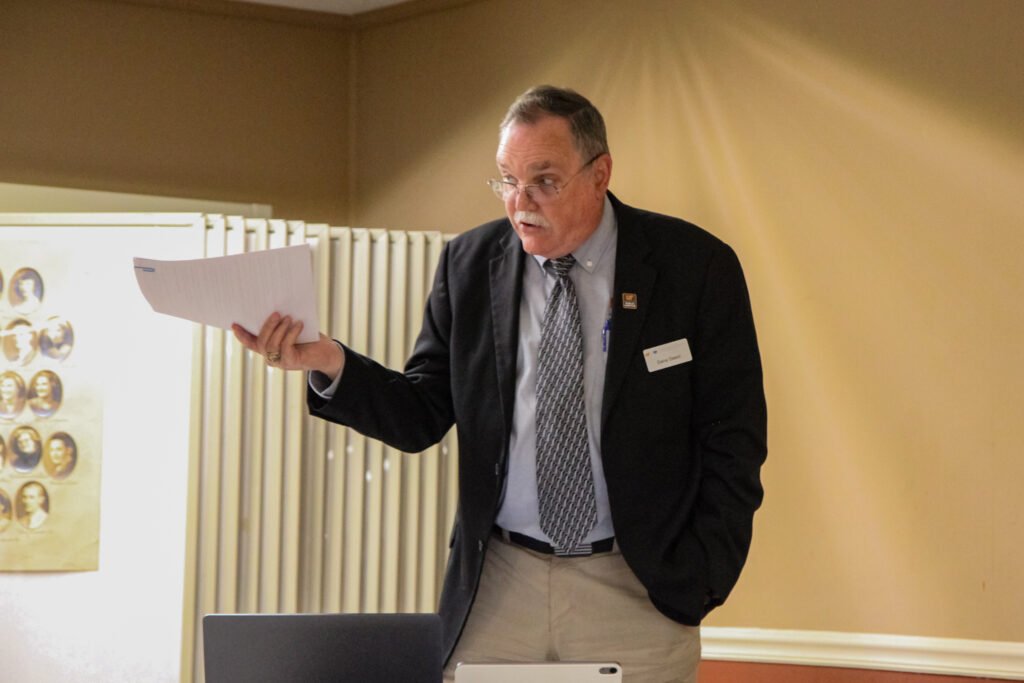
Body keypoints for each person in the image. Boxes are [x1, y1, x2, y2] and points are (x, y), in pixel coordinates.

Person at [233, 86, 766, 683]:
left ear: (600, 173)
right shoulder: (469, 262)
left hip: (636, 587)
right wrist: (330, 361)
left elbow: (733, 438)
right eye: (507, 180)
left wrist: (702, 574)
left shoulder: (694, 266)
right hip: (498, 586)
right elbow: (421, 413)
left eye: (544, 180)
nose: (521, 202)